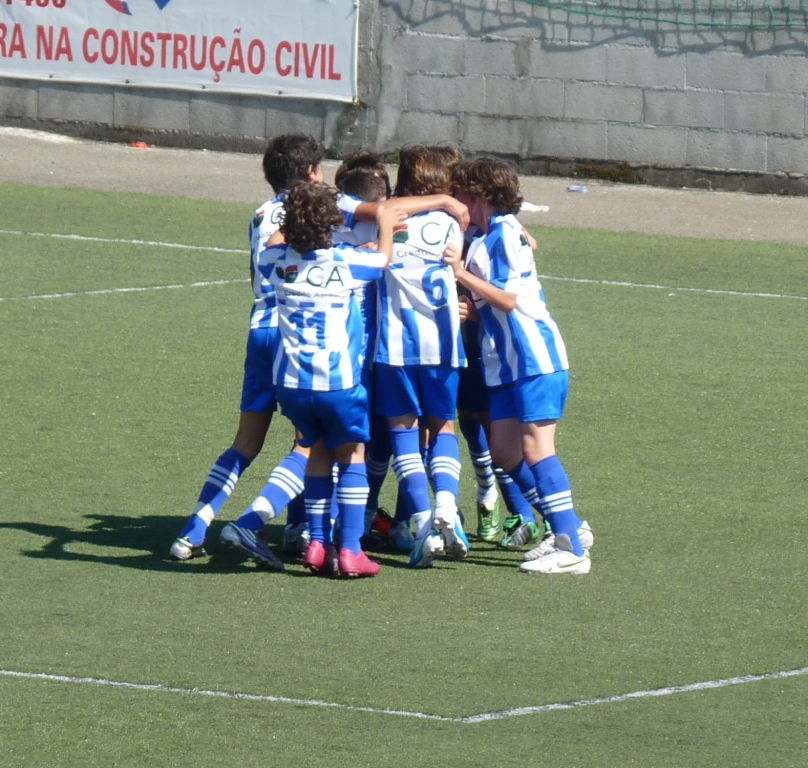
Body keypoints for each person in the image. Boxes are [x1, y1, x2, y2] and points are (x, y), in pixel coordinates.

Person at [169, 133, 324, 565]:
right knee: (311, 441)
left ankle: (193, 529)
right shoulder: (314, 212)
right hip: (297, 332)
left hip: (260, 329)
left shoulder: (260, 214)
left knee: (246, 441)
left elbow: (255, 275)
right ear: (312, 172)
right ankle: (262, 524)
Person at [445, 158, 594, 574]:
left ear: (480, 195)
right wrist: (471, 311)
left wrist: (460, 275)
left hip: (534, 357)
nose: (457, 201)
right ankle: (567, 527)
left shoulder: (505, 234)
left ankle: (572, 550)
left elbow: (510, 300)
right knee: (504, 450)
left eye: (461, 193)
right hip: (507, 364)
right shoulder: (487, 234)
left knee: (535, 448)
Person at [263, 181, 405, 577]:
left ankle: (316, 543)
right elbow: (383, 260)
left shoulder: (275, 261)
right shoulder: (345, 262)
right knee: (353, 453)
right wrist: (385, 224)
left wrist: (294, 223)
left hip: (292, 384)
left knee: (319, 450)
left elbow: (273, 245)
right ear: (330, 224)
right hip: (337, 383)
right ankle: (351, 550)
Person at [373, 145, 471, 568]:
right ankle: (447, 504)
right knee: (443, 426)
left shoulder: (391, 219)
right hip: (444, 346)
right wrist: (447, 201)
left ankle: (423, 522)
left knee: (404, 434)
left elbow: (387, 209)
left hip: (396, 346)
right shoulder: (453, 225)